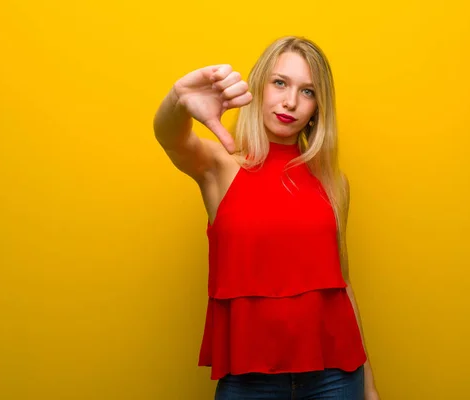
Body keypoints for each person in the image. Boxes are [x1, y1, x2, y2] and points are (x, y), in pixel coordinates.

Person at [153, 36, 380, 400]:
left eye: (308, 91)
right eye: (280, 83)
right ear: (258, 86)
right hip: (248, 383)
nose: (290, 101)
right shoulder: (220, 167)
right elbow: (170, 137)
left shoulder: (333, 181)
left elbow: (342, 284)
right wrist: (179, 98)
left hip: (336, 378)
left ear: (318, 107)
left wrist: (369, 386)